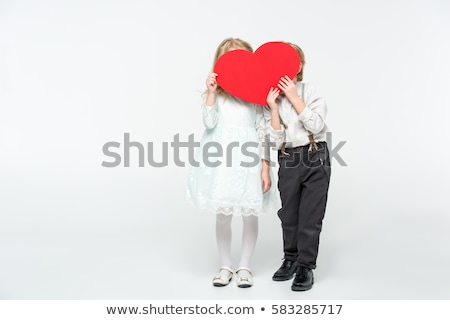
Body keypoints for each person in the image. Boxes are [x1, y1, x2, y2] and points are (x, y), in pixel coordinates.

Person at [186, 37, 279, 288]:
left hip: (248, 157)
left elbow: (263, 130)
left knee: (250, 213)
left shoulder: (256, 96)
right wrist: (212, 93)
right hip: (222, 159)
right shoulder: (217, 94)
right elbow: (209, 123)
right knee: (224, 214)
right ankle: (225, 265)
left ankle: (245, 266)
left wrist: (266, 165)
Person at [264, 42, 331, 291]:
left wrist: (293, 96)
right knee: (289, 214)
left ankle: (306, 266)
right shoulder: (271, 97)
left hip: (315, 156)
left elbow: (316, 125)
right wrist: (273, 108)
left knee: (310, 216)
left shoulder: (311, 90)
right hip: (288, 158)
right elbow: (274, 141)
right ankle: (290, 259)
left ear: (298, 65)